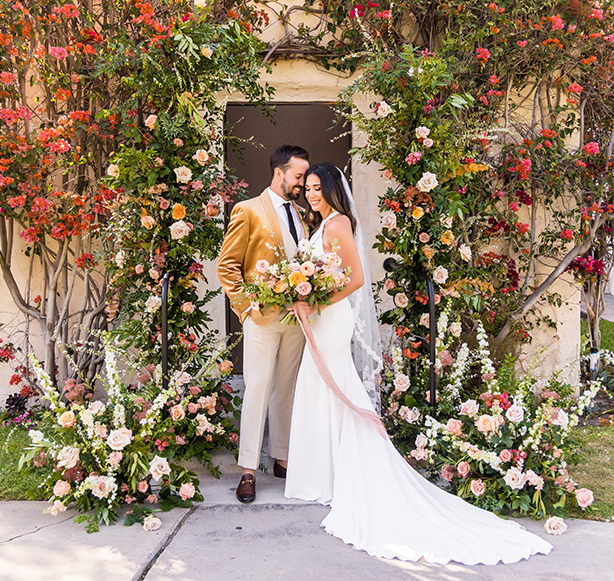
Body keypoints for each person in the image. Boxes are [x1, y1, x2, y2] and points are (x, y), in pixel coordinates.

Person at [284, 162, 552, 565]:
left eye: (318, 187)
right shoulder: (319, 226)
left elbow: (355, 279)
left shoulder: (337, 223)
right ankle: (324, 474)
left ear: (334, 189)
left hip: (330, 318)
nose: (311, 193)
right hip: (318, 316)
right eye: (308, 187)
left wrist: (316, 300)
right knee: (316, 386)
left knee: (331, 382)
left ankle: (340, 472)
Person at [217, 145, 310, 503]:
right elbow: (227, 266)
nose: (302, 183)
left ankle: (281, 459)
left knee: (286, 390)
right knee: (257, 388)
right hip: (263, 318)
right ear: (279, 173)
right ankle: (248, 470)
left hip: (296, 319)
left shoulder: (302, 216)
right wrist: (247, 309)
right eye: (298, 176)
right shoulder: (248, 210)